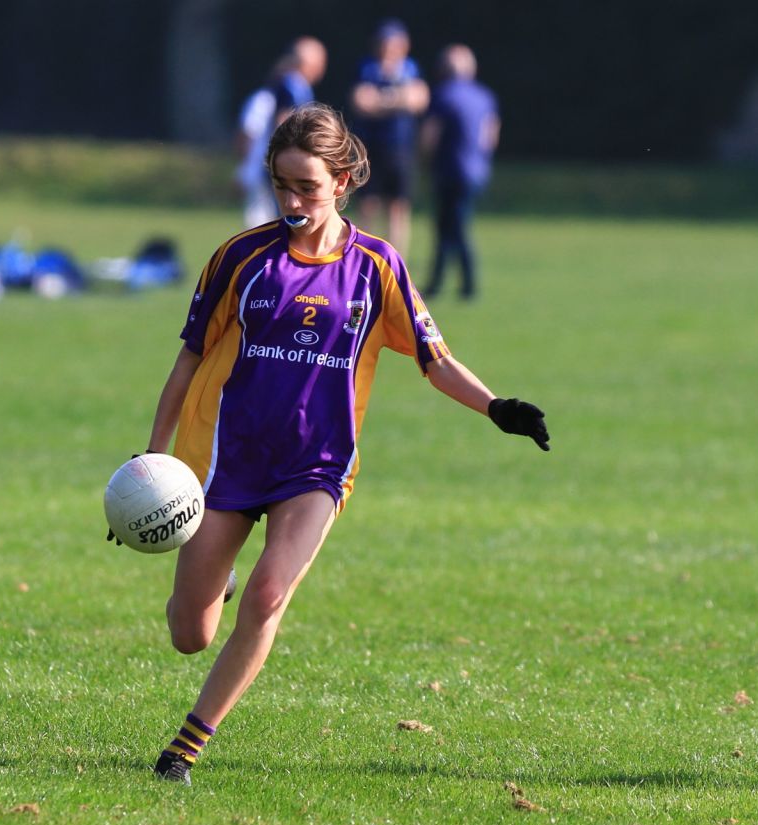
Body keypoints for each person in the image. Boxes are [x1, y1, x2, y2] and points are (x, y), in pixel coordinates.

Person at [135, 103, 550, 785]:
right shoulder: (241, 258)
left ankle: (185, 749)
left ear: (344, 180)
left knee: (270, 595)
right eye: (282, 185)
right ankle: (219, 580)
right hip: (224, 459)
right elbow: (187, 360)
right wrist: (154, 457)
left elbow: (433, 358)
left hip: (316, 466)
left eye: (308, 187)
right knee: (191, 633)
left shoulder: (376, 267)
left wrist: (496, 407)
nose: (293, 201)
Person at [421, 44, 499, 300]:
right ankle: (439, 283)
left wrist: (424, 161)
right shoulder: (485, 96)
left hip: (449, 170)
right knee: (451, 225)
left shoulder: (443, 95)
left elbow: (430, 136)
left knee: (453, 227)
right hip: (476, 171)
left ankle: (465, 284)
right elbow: (491, 135)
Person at [349, 19, 428, 254]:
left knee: (398, 206)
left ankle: (395, 260)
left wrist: (382, 100)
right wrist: (398, 99)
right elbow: (361, 101)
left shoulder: (410, 68)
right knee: (368, 204)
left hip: (400, 149)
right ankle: (363, 256)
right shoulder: (366, 68)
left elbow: (419, 99)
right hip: (369, 147)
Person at [234, 37, 327, 228]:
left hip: (277, 162)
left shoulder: (297, 86)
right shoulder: (291, 85)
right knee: (267, 222)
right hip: (275, 164)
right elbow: (283, 121)